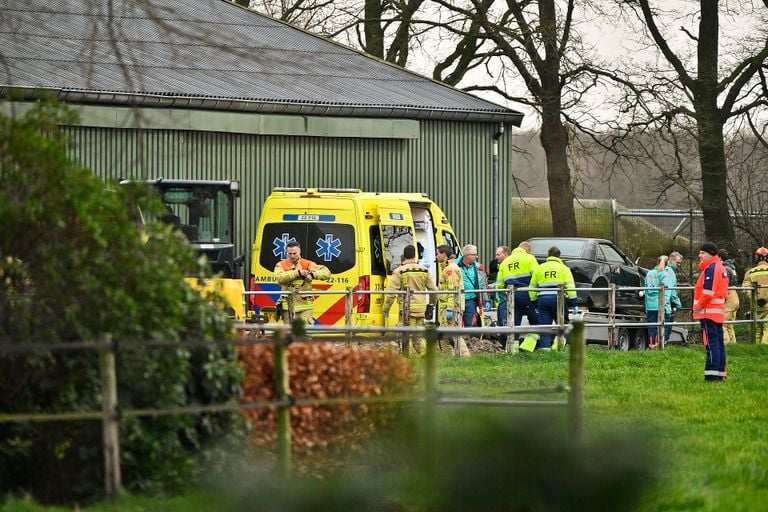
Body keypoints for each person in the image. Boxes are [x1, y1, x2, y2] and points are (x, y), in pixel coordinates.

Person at [382, 244, 438, 355]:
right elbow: (433, 290)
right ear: (415, 255)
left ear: (404, 255)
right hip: (421, 309)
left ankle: (415, 357)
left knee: (405, 335)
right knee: (417, 335)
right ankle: (423, 356)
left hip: (407, 310)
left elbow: (391, 293)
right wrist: (431, 304)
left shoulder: (400, 271)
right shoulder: (424, 270)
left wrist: (386, 308)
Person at [528, 246, 577, 351]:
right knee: (562, 324)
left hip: (543, 300)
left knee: (544, 326)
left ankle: (545, 349)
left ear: (548, 256)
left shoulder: (539, 268)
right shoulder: (564, 269)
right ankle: (560, 347)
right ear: (559, 256)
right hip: (558, 299)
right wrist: (574, 302)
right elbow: (570, 287)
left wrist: (534, 302)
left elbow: (532, 288)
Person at [693, 242, 728, 382]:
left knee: (711, 344)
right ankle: (720, 374)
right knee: (718, 344)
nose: (699, 255)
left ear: (711, 254)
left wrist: (697, 307)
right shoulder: (720, 267)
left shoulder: (712, 268)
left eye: (703, 253)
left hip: (708, 313)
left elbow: (708, 292)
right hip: (716, 313)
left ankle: (712, 376)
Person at [274, 241, 330, 325]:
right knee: (289, 334)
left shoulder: (307, 264)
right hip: (287, 306)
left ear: (299, 251)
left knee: (305, 333)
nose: (292, 256)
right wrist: (298, 273)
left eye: (294, 253)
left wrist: (313, 274)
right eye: (290, 253)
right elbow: (280, 278)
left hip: (305, 306)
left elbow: (326, 273)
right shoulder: (281, 265)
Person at [496, 241, 539, 349]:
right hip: (527, 293)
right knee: (537, 321)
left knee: (514, 323)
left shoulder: (505, 262)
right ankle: (528, 345)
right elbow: (537, 276)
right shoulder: (529, 258)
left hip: (511, 295)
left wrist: (505, 293)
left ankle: (512, 349)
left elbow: (499, 284)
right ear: (527, 250)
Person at [436, 245, 470, 357]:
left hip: (451, 308)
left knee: (454, 335)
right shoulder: (447, 268)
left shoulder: (451, 269)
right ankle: (450, 359)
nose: (436, 256)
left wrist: (450, 309)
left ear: (444, 255)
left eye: (438, 254)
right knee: (444, 336)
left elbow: (453, 290)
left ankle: (465, 357)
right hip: (446, 308)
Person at [644, 255, 675, 349]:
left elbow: (646, 290)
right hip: (661, 305)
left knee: (652, 326)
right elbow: (666, 292)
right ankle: (659, 345)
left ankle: (651, 345)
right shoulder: (665, 274)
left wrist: (646, 306)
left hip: (650, 304)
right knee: (661, 326)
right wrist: (666, 306)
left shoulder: (649, 273)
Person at [456, 244, 489, 328]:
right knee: (455, 324)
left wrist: (486, 299)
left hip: (471, 300)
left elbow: (484, 284)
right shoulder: (454, 266)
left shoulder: (479, 268)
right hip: (456, 299)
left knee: (470, 323)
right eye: (474, 254)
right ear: (467, 255)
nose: (476, 256)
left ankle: (468, 340)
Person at [742, 246, 768, 345]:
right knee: (767, 328)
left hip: (755, 306)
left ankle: (756, 349)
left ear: (756, 258)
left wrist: (755, 298)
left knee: (756, 330)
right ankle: (765, 350)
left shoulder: (750, 272)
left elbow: (745, 289)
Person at [718, 249, 740, 345]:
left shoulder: (725, 269)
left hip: (729, 297)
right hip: (734, 296)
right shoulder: (732, 268)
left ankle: (725, 344)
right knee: (730, 324)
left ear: (719, 258)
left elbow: (723, 283)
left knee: (722, 322)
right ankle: (733, 344)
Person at [667, 252, 685, 331]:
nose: (679, 265)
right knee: (667, 327)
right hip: (669, 303)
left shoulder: (662, 269)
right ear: (671, 260)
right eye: (677, 262)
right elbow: (671, 290)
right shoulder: (670, 272)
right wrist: (678, 303)